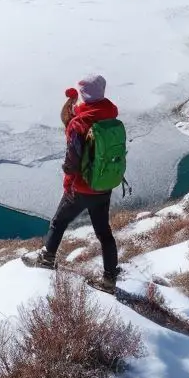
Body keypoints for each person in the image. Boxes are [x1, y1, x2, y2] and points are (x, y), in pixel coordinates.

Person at [32, 73, 120, 292]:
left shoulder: (79, 123)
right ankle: (109, 280)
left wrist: (68, 185)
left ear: (84, 95)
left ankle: (46, 259)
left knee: (58, 222)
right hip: (104, 185)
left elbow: (72, 162)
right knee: (104, 233)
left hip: (81, 187)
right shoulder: (110, 116)